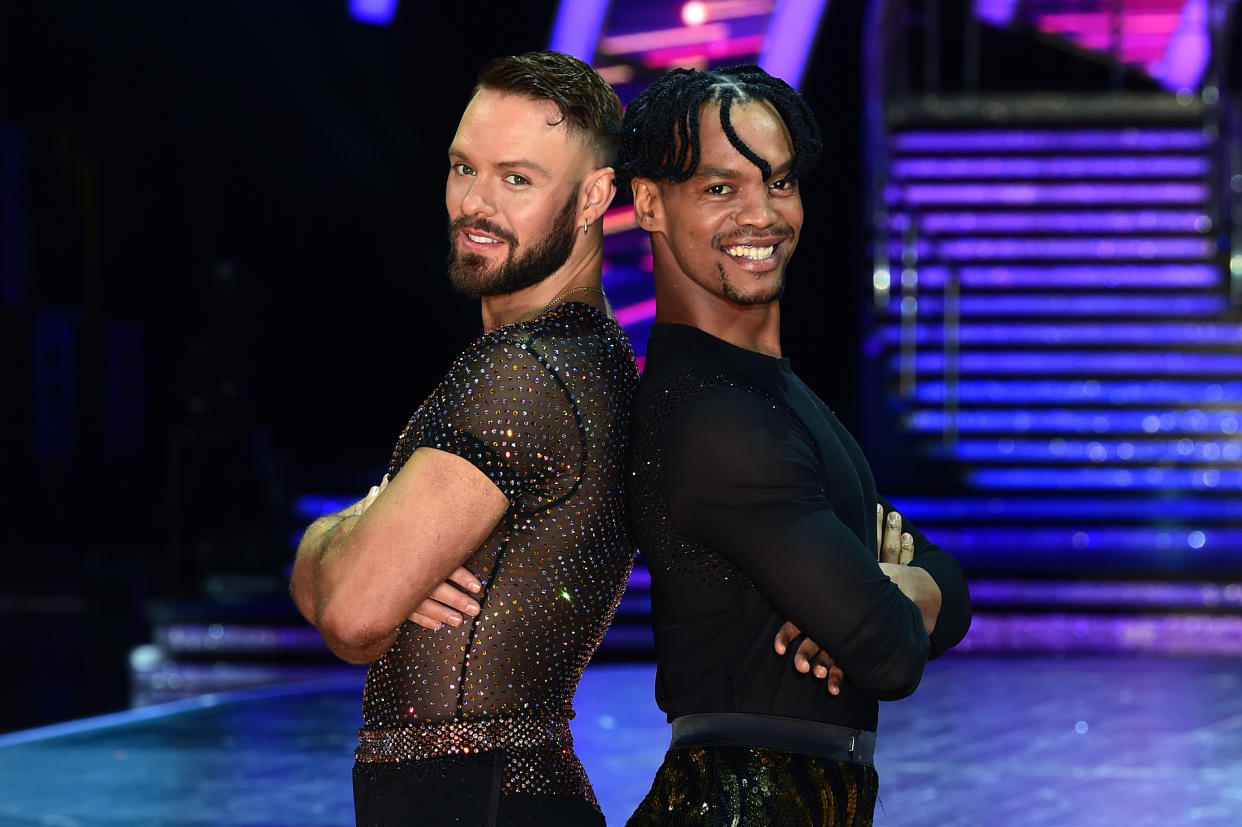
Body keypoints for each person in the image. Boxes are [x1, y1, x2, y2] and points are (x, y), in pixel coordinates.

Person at [616, 65, 972, 825]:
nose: (762, 215)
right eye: (721, 189)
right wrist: (883, 596)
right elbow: (888, 652)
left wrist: (894, 587)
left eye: (778, 183)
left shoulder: (772, 393)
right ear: (649, 202)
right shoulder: (715, 416)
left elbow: (948, 580)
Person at [290, 51, 637, 826]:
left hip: (474, 797)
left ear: (593, 198)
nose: (475, 204)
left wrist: (335, 536)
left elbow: (350, 615)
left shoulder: (525, 370)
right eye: (463, 168)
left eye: (517, 179)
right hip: (495, 789)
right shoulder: (590, 354)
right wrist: (363, 540)